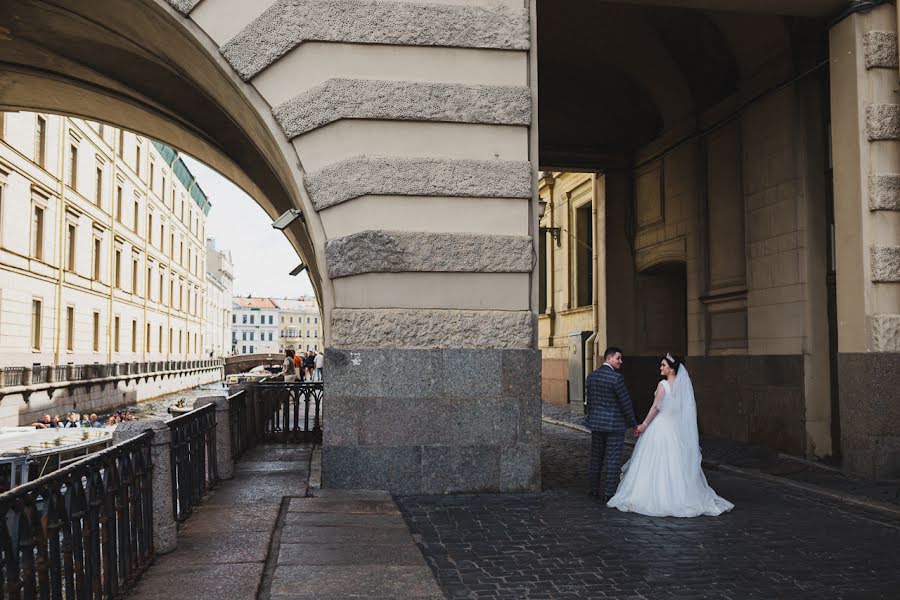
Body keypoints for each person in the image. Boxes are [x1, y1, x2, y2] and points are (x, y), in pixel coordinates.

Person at [607, 353, 734, 517]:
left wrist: (644, 425)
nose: (661, 368)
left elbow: (655, 407)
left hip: (660, 427)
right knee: (675, 463)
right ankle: (679, 495)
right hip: (675, 429)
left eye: (663, 365)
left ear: (672, 370)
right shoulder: (683, 387)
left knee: (655, 462)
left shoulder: (663, 385)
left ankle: (653, 496)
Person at [584, 347, 637, 501]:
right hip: (614, 425)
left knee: (596, 458)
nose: (621, 361)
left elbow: (591, 401)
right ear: (609, 359)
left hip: (597, 423)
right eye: (618, 358)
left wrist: (591, 418)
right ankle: (609, 493)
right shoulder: (616, 378)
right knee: (613, 459)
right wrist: (634, 423)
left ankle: (593, 490)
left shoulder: (592, 377)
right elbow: (625, 403)